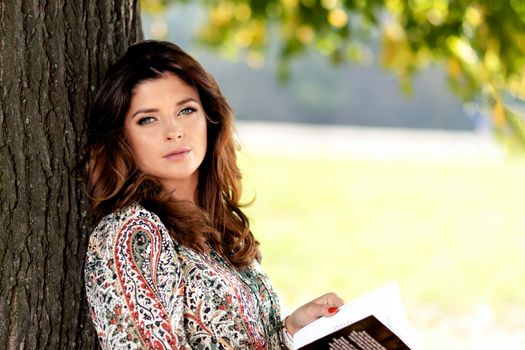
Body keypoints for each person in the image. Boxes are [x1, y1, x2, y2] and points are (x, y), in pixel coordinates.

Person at [83, 40, 343, 349]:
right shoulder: (134, 234)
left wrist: (290, 333)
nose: (174, 130)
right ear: (121, 138)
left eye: (186, 110)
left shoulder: (219, 228)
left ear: (210, 118)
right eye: (148, 119)